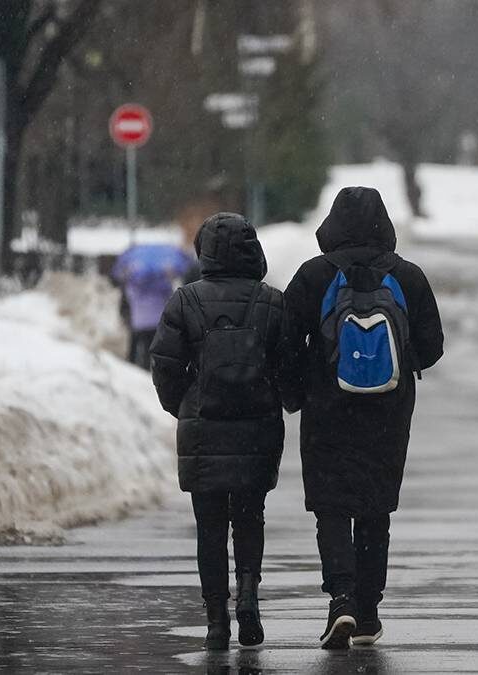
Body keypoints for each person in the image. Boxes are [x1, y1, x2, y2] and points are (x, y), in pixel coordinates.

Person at [279, 186, 444, 650]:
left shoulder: (314, 275)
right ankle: (369, 612)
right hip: (389, 412)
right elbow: (432, 347)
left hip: (328, 410)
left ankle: (342, 600)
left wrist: (299, 392)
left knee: (331, 506)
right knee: (375, 508)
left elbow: (286, 345)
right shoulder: (407, 276)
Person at [149, 213, 285, 651]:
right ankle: (248, 594)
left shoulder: (184, 301)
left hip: (203, 431)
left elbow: (165, 367)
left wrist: (185, 406)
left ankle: (215, 620)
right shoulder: (270, 302)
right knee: (250, 517)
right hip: (256, 429)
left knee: (209, 526)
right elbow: (289, 369)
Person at [113, 243, 196, 368]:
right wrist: (169, 276)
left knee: (136, 345)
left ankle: (133, 366)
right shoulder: (162, 284)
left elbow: (127, 296)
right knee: (152, 348)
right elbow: (170, 296)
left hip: (138, 322)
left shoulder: (134, 285)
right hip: (156, 323)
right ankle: (149, 369)